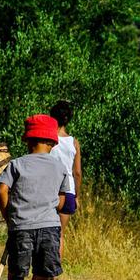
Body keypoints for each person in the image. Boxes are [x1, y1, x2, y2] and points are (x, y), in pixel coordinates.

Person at [0, 114, 70, 280]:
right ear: (52, 142)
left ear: (28, 141)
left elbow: (1, 189)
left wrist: (9, 215)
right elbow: (63, 201)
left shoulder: (16, 164)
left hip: (21, 228)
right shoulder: (60, 167)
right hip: (49, 228)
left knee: (16, 278)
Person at [49, 100, 82, 262]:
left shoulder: (47, 140)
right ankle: (54, 275)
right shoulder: (74, 142)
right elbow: (77, 173)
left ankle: (42, 271)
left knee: (44, 232)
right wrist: (77, 196)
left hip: (49, 190)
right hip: (68, 190)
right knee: (60, 234)